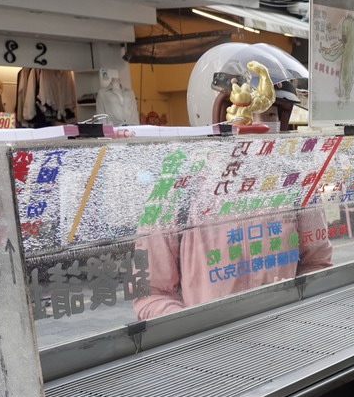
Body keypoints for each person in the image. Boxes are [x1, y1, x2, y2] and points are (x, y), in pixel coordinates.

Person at [134, 75, 332, 319]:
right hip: (212, 345)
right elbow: (152, 293)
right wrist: (195, 328)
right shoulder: (176, 189)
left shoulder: (292, 181)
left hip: (285, 334)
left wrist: (297, 310)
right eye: (242, 113)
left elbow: (317, 263)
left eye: (270, 115)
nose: (257, 128)